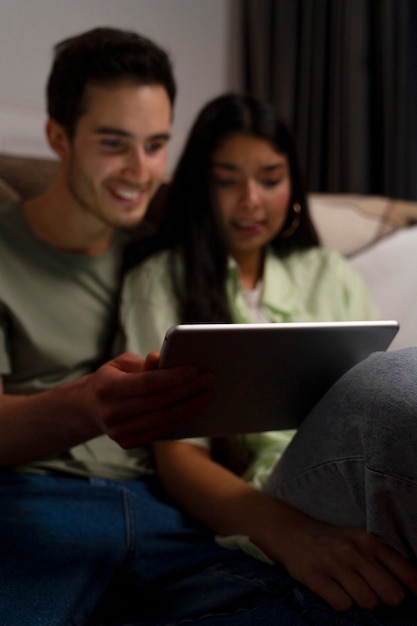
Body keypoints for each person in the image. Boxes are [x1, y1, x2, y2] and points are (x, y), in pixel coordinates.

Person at [0, 30, 321, 626]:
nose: (140, 172)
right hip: (35, 502)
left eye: (155, 145)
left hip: (168, 514)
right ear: (57, 137)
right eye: (114, 144)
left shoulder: (171, 251)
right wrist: (87, 406)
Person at [119, 93, 417, 624]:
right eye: (227, 179)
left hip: (362, 463)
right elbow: (180, 458)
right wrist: (294, 537)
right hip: (278, 485)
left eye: (270, 178)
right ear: (198, 188)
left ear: (293, 185)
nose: (251, 200)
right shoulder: (161, 279)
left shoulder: (328, 271)